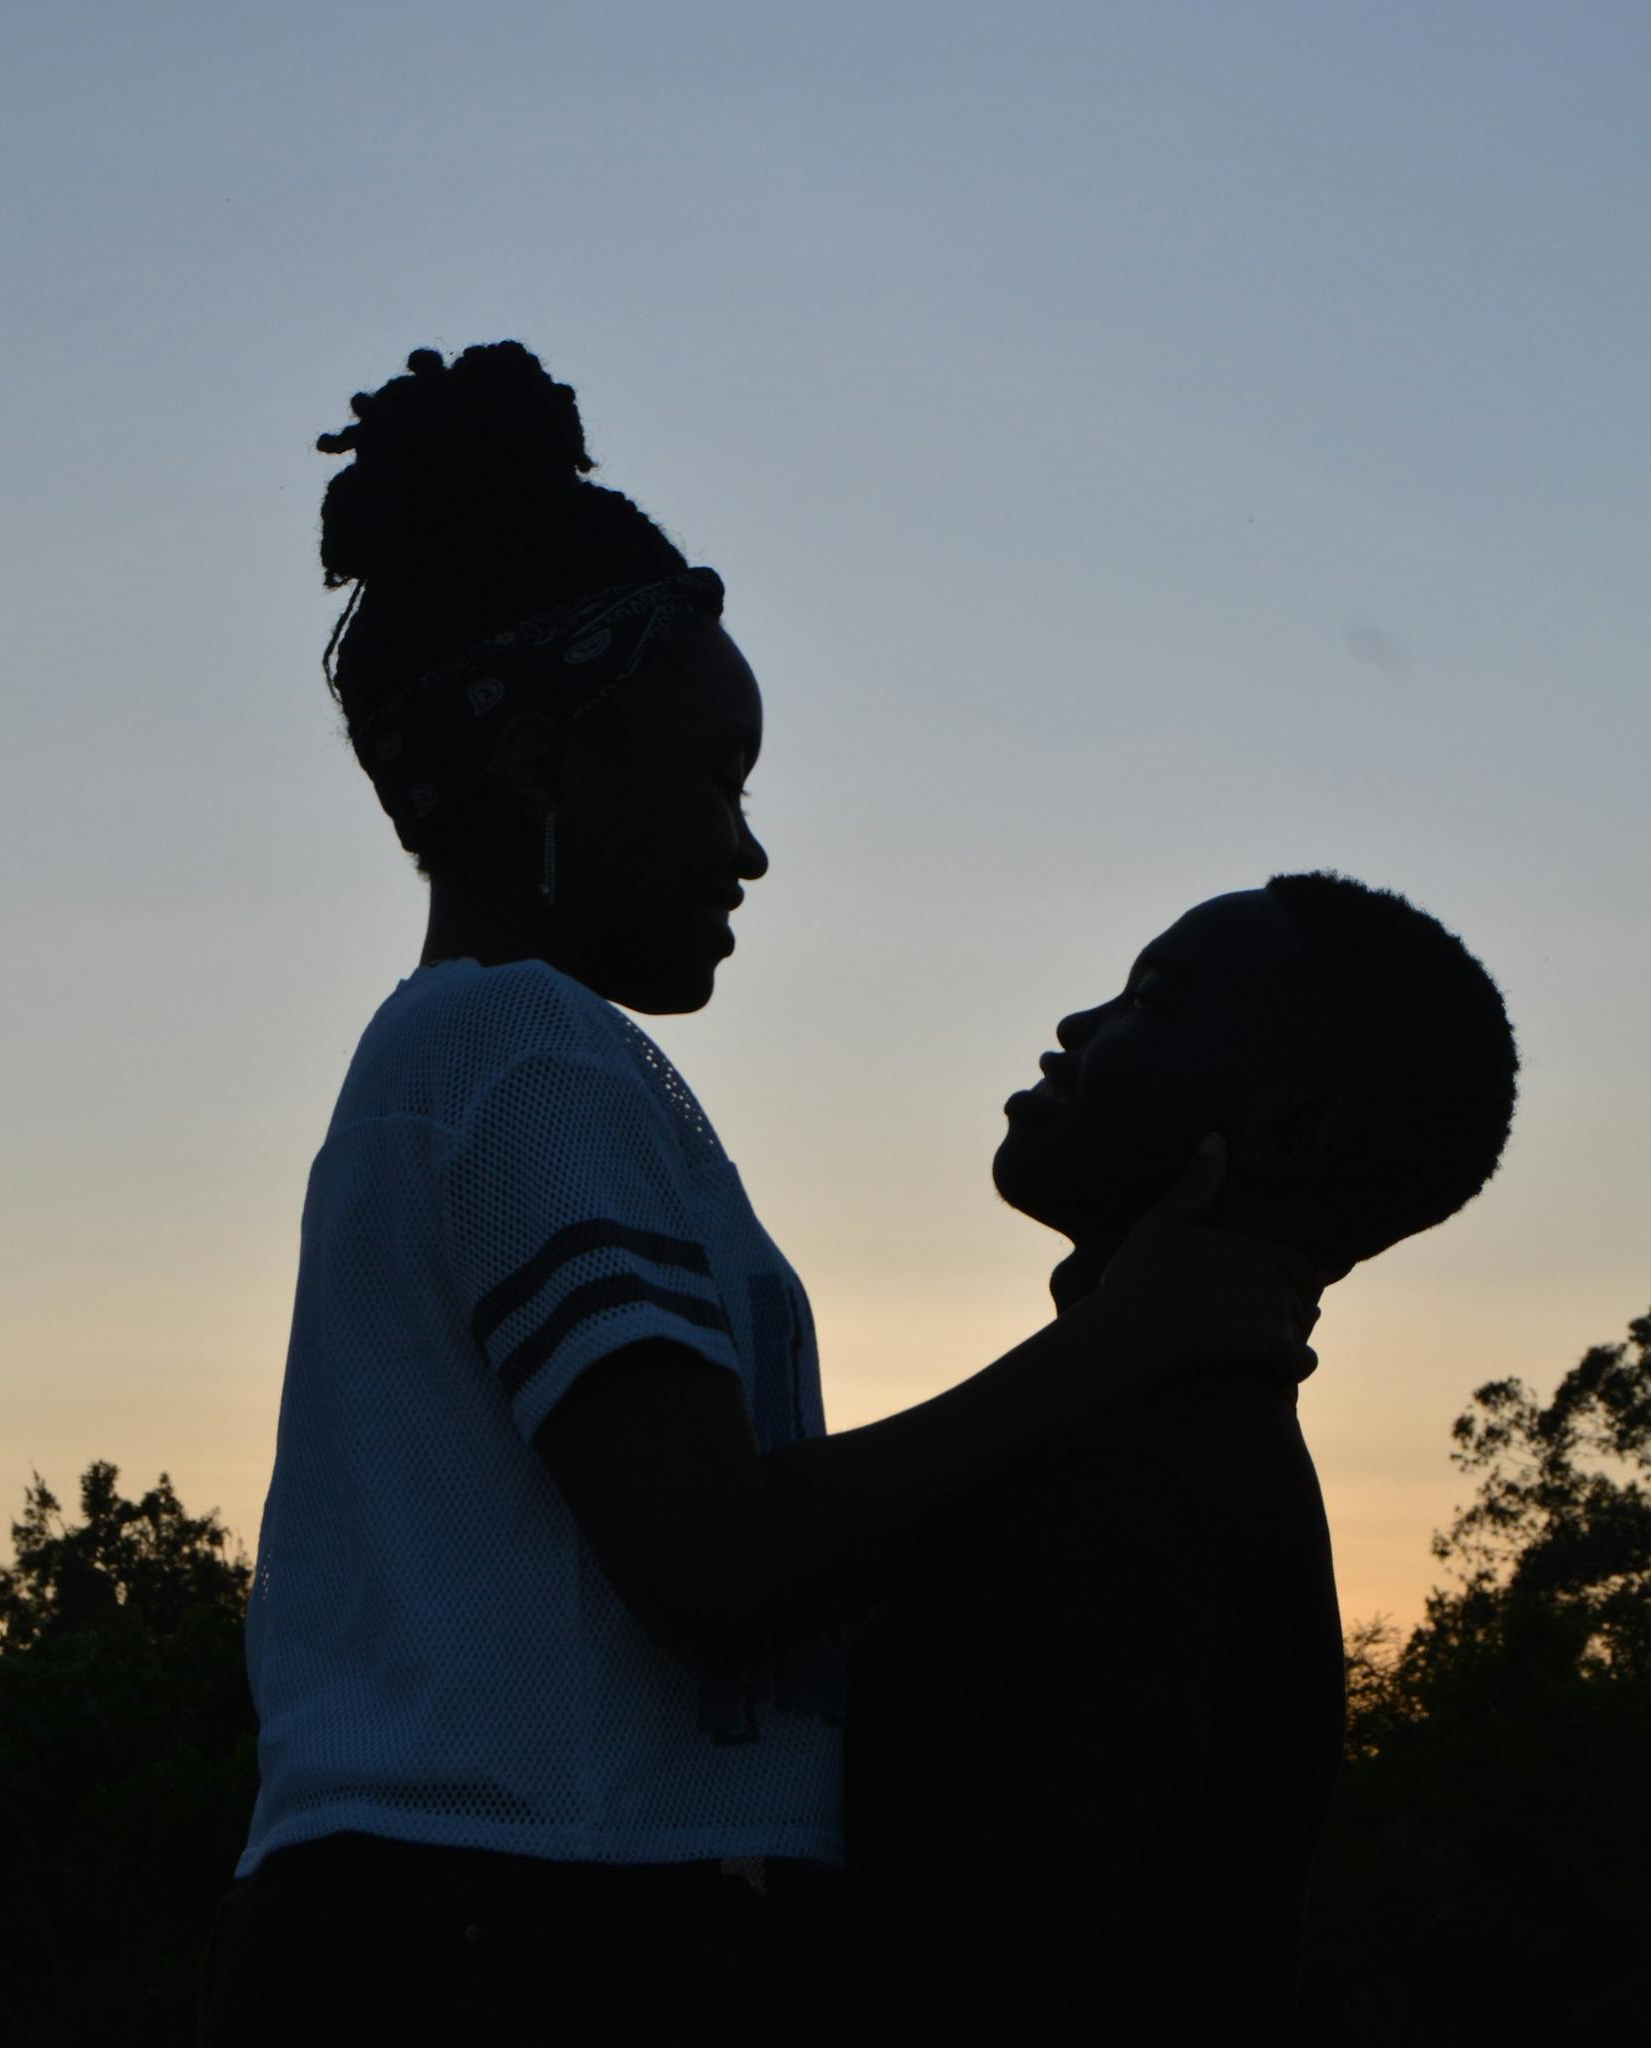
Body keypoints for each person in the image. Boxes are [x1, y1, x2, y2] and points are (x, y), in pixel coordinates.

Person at [194, 343, 1317, 2046]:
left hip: (482, 1917)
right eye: (716, 774)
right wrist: (1120, 1344)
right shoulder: (523, 1049)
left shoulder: (502, 1058)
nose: (749, 847)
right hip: (513, 1933)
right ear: (543, 774)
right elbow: (712, 1555)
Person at [841, 874, 1519, 2044]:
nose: (1077, 1026)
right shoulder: (1175, 1451)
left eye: (1150, 998)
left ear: (1290, 1128)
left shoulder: (1123, 1489)